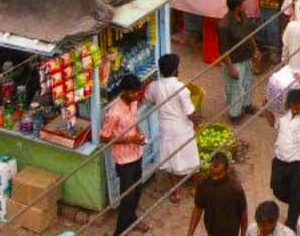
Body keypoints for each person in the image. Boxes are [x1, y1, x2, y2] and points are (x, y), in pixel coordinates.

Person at [265, 77, 300, 228]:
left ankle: (292, 222)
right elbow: (273, 124)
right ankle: (299, 201)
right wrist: (266, 109)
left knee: (296, 195)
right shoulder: (284, 115)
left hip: (299, 163)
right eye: (293, 105)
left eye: (299, 105)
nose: (295, 108)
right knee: (277, 189)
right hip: (280, 161)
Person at [146, 54, 200, 203]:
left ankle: (176, 192)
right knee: (192, 160)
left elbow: (149, 99)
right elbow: (190, 113)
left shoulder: (154, 86)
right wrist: (198, 123)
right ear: (176, 70)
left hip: (166, 130)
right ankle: (196, 188)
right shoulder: (181, 88)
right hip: (182, 128)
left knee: (171, 161)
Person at [101, 74, 148, 235]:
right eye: (133, 92)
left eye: (137, 92)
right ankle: (120, 230)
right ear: (124, 91)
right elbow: (105, 138)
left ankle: (132, 218)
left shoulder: (133, 103)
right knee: (127, 196)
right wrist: (129, 139)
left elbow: (134, 122)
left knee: (138, 189)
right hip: (123, 159)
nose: (136, 96)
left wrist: (139, 133)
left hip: (137, 153)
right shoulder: (114, 113)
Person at [218, 0, 259, 122]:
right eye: (243, 4)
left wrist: (255, 49)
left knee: (248, 82)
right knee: (236, 88)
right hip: (234, 61)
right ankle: (234, 115)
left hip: (246, 57)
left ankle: (247, 105)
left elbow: (249, 34)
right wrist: (231, 68)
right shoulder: (224, 25)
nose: (246, 5)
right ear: (237, 7)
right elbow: (224, 50)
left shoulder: (243, 16)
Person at [188, 151, 247, 236]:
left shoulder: (235, 187)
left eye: (218, 174)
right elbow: (198, 208)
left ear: (226, 170)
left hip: (231, 231)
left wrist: (243, 234)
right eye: (212, 174)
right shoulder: (203, 185)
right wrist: (190, 232)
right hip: (211, 229)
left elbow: (243, 213)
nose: (214, 178)